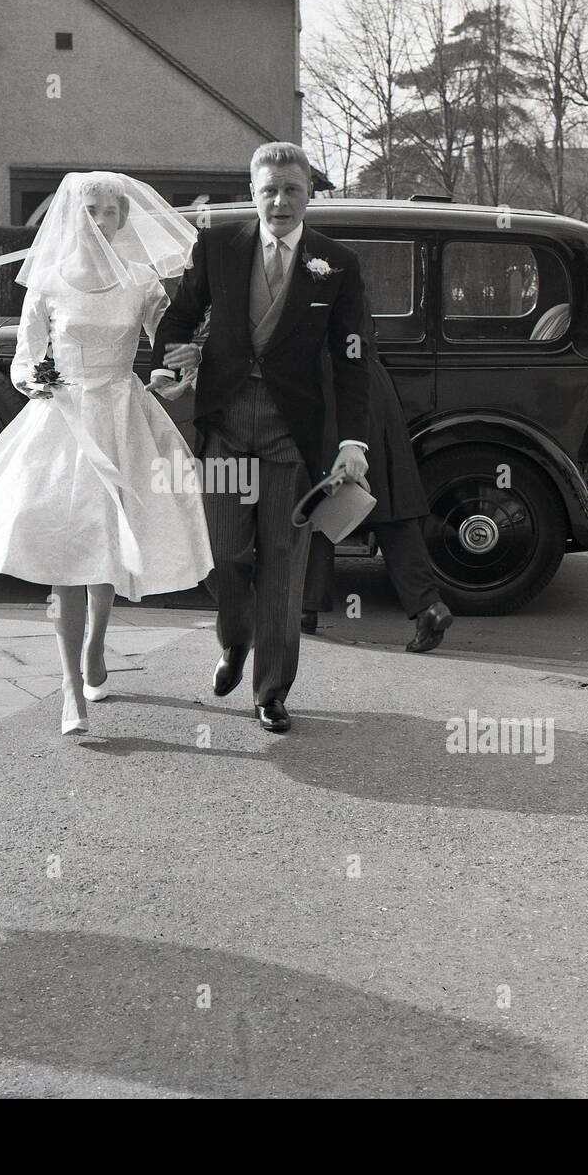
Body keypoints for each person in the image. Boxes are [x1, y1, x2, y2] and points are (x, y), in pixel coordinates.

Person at [0, 172, 211, 736]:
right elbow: (25, 359)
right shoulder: (48, 282)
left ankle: (97, 646)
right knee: (69, 556)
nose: (100, 221)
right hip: (65, 424)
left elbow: (167, 341)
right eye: (91, 211)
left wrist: (181, 365)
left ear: (123, 219)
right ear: (73, 215)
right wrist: (39, 380)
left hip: (124, 419)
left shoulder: (141, 280)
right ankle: (71, 688)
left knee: (109, 550)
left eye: (110, 212)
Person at [149, 142, 371, 733]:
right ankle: (235, 639)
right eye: (269, 189)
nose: (280, 200)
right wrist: (169, 364)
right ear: (252, 192)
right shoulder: (218, 246)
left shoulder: (337, 264)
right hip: (224, 425)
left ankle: (271, 689)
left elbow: (352, 360)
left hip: (290, 436)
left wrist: (353, 442)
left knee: (282, 560)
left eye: (292, 190)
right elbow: (177, 318)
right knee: (225, 555)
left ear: (308, 196)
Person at [300, 323, 454, 652]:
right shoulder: (345, 278)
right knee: (390, 507)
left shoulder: (303, 278)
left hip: (332, 384)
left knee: (320, 494)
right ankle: (429, 606)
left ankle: (304, 607)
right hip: (371, 381)